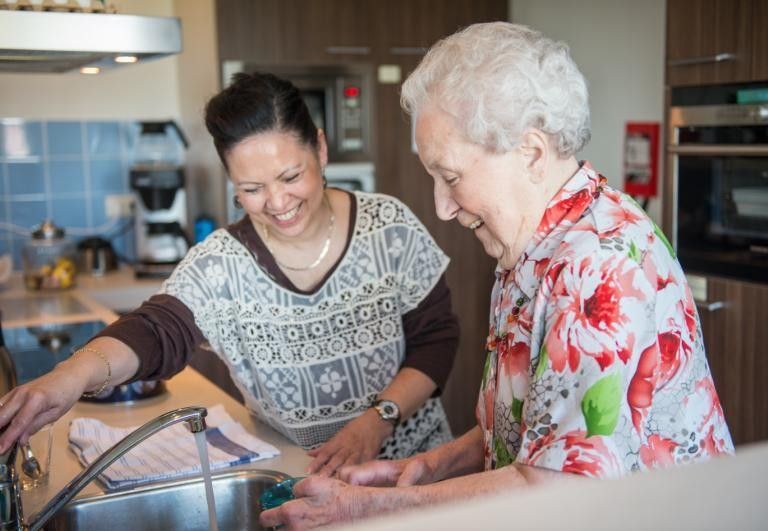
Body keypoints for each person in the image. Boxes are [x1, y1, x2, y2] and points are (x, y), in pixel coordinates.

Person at [258, 21, 735, 529]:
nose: (442, 206)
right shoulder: (534, 244)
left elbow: (560, 486)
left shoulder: (597, 266)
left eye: (451, 177)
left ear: (530, 153)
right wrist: (432, 465)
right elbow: (537, 426)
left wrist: (370, 506)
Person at [0, 72, 460, 476]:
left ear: (319, 149)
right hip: (307, 480)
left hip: (416, 471)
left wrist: (377, 420)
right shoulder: (222, 263)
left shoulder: (389, 228)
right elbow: (157, 329)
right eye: (252, 189)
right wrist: (72, 375)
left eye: (289, 176)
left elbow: (437, 338)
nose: (277, 203)